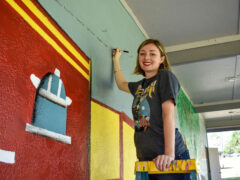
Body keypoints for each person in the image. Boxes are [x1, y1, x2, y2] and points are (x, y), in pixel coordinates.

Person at [112, 39, 191, 180]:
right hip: (147, 160)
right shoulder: (140, 86)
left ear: (162, 59)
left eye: (152, 54)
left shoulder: (165, 76)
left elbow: (168, 115)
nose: (146, 57)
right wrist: (116, 60)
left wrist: (169, 154)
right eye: (142, 54)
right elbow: (121, 84)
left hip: (168, 158)